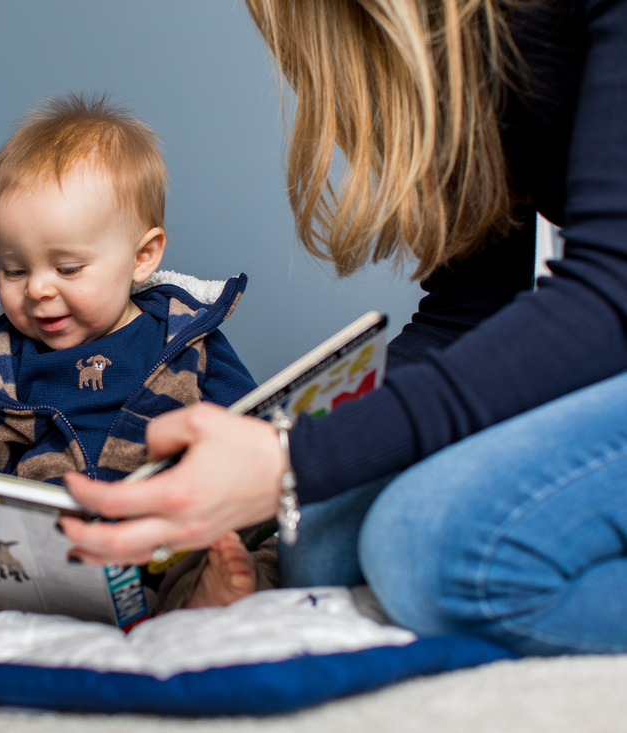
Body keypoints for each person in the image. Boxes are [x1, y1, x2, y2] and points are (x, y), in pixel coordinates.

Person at [59, 0, 627, 657]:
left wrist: (293, 463)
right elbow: (473, 302)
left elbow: (610, 290)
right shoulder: (461, 43)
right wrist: (322, 462)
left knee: (428, 547)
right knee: (322, 544)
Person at [0, 95, 270, 640]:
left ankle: (204, 599)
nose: (37, 288)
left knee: (260, 544)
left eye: (67, 267)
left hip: (165, 537)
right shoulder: (1, 367)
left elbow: (252, 427)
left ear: (143, 256)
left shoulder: (186, 335)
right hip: (49, 561)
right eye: (13, 269)